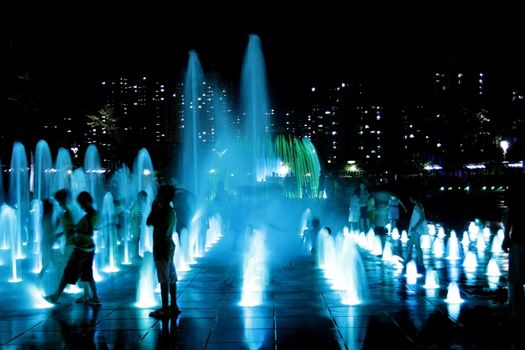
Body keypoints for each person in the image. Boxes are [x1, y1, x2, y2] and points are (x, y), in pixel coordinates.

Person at [44, 191, 100, 305]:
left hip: (81, 248)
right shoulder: (88, 215)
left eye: (82, 204)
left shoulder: (90, 215)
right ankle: (93, 296)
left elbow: (87, 232)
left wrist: (75, 234)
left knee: (68, 273)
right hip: (86, 247)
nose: (81, 206)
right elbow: (78, 228)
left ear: (88, 202)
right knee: (87, 273)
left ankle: (55, 297)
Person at [147, 184, 179, 318]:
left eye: (158, 194)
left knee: (164, 278)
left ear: (162, 196)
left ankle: (165, 308)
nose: (156, 196)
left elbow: (149, 221)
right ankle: (173, 305)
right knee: (171, 276)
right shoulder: (171, 210)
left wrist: (154, 207)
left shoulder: (163, 211)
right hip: (169, 245)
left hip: (161, 247)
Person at [502, 174, 525, 321]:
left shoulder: (516, 192)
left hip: (519, 240)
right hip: (519, 239)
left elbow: (509, 216)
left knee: (516, 278)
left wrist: (506, 236)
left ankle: (517, 311)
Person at [405, 195, 427, 273]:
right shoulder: (419, 205)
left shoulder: (418, 206)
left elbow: (422, 218)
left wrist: (415, 227)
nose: (410, 199)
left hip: (416, 230)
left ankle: (421, 263)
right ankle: (407, 260)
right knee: (410, 245)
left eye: (411, 198)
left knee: (417, 246)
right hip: (415, 230)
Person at [38, 199, 59, 280]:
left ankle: (41, 281)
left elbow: (50, 233)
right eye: (52, 209)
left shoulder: (46, 218)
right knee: (49, 264)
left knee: (52, 264)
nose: (53, 210)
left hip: (47, 245)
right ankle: (40, 282)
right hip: (46, 245)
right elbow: (50, 234)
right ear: (49, 210)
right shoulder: (46, 219)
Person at [54, 189, 75, 262]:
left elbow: (73, 228)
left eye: (59, 201)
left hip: (72, 244)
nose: (58, 203)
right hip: (69, 243)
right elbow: (69, 227)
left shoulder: (69, 211)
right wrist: (59, 235)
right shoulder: (65, 211)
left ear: (63, 200)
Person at [130, 190, 148, 262]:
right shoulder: (137, 204)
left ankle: (135, 255)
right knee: (136, 239)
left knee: (136, 239)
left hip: (136, 224)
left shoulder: (137, 204)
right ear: (141, 197)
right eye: (145, 198)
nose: (145, 199)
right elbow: (136, 215)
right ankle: (134, 255)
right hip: (135, 224)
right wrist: (138, 223)